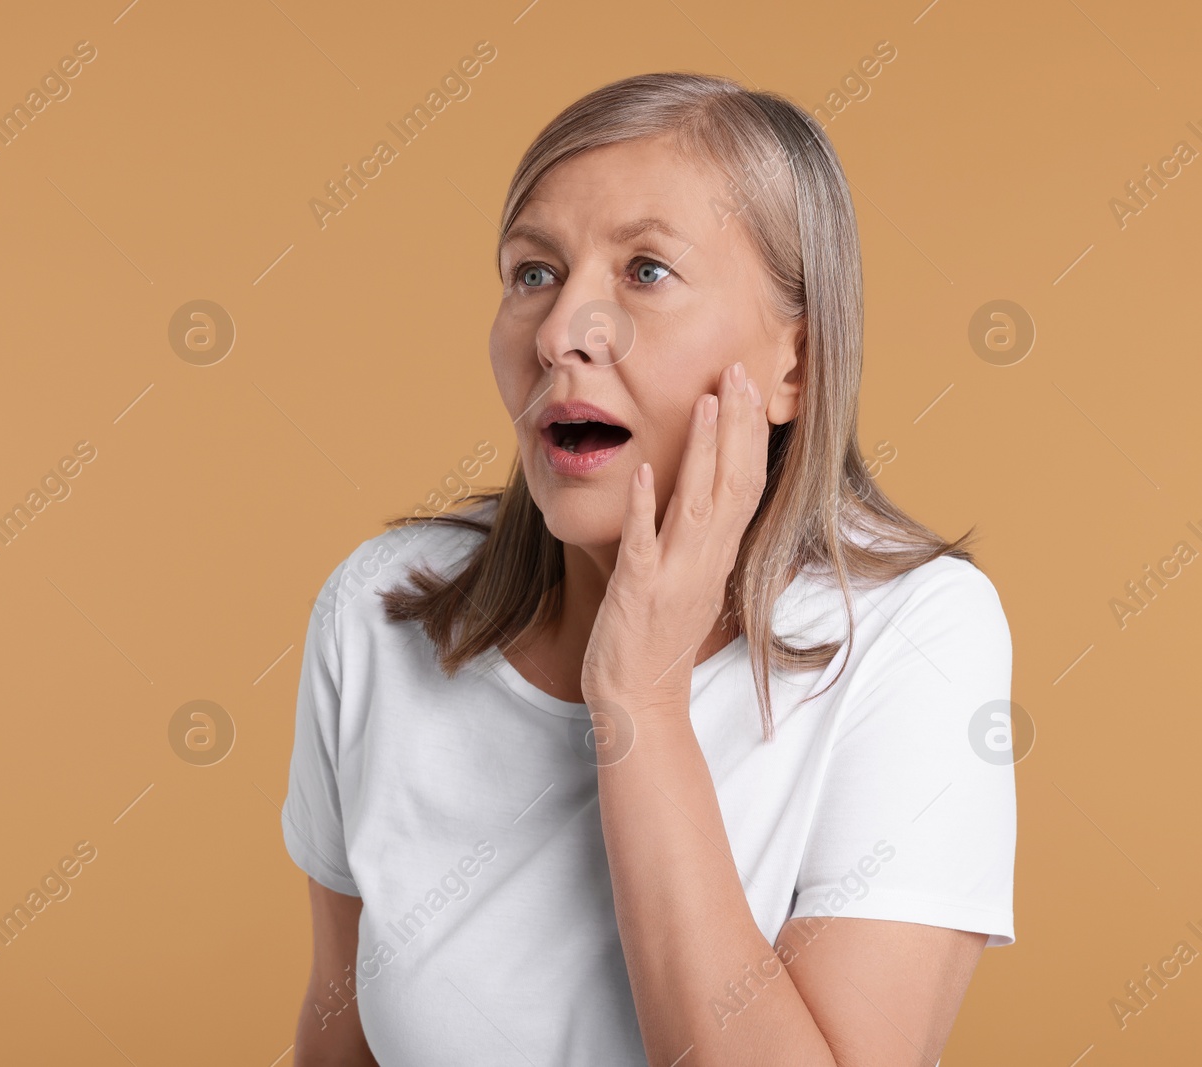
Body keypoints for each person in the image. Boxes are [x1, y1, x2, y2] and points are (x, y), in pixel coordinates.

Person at [280, 71, 1015, 1067]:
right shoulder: (378, 612)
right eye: (533, 272)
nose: (559, 334)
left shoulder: (917, 633)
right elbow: (339, 1032)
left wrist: (640, 700)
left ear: (793, 363)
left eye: (645, 272)